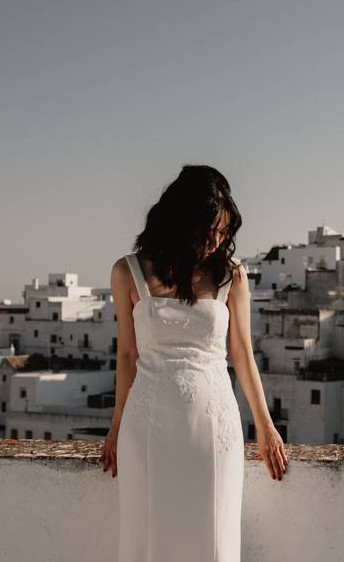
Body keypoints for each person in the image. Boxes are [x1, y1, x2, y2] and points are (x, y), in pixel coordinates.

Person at [100, 164, 288, 561]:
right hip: (146, 431)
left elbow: (242, 355)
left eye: (223, 233)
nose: (216, 242)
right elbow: (127, 356)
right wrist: (116, 426)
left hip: (213, 430)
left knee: (214, 543)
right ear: (181, 221)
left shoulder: (232, 277)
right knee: (147, 540)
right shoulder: (127, 272)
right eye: (209, 231)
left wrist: (266, 428)